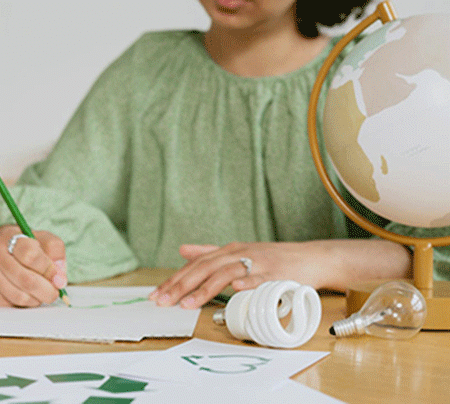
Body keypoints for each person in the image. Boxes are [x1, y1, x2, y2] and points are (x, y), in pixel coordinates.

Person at [0, 0, 446, 309]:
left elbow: (437, 254)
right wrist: (18, 249)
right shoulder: (146, 70)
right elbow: (51, 207)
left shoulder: (373, 76)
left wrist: (323, 260)